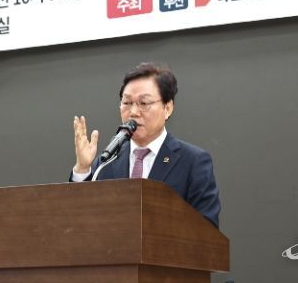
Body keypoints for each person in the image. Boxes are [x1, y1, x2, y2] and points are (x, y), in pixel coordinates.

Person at [70, 62, 221, 228]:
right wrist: (83, 168)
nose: (133, 112)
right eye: (127, 103)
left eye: (144, 103)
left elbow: (207, 229)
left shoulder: (193, 162)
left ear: (168, 108)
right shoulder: (107, 162)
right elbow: (79, 220)